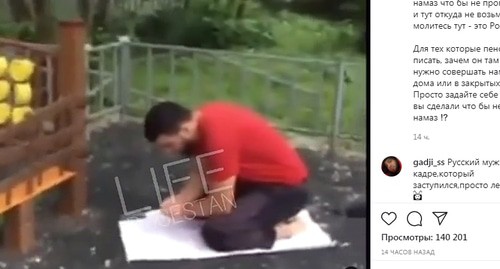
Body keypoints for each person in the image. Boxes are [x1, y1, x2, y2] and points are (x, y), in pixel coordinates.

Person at [143, 101, 309, 252]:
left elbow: (222, 204)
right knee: (200, 205)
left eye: (169, 145)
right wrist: (182, 200)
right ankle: (261, 216)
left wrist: (184, 210)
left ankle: (284, 230)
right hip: (256, 179)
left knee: (218, 234)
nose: (169, 152)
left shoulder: (218, 139)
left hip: (285, 189)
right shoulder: (201, 121)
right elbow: (200, 168)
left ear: (185, 129)